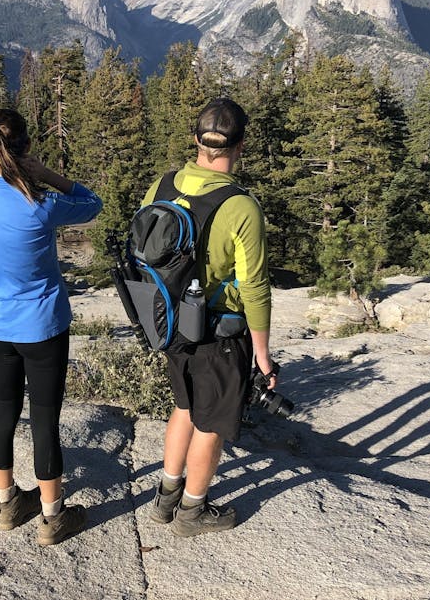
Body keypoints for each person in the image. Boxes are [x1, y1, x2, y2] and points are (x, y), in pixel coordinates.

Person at [0, 107, 102, 546]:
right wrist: (46, 173)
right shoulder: (41, 202)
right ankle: (52, 517)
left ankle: (8, 504)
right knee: (45, 420)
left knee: (3, 412)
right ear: (25, 150)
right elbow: (92, 204)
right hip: (44, 325)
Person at [145, 98, 276, 537]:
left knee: (183, 405)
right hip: (219, 332)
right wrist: (262, 354)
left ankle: (165, 496)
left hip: (171, 326)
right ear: (240, 145)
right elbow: (254, 286)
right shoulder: (240, 206)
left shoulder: (164, 185)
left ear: (196, 140)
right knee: (212, 422)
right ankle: (192, 512)